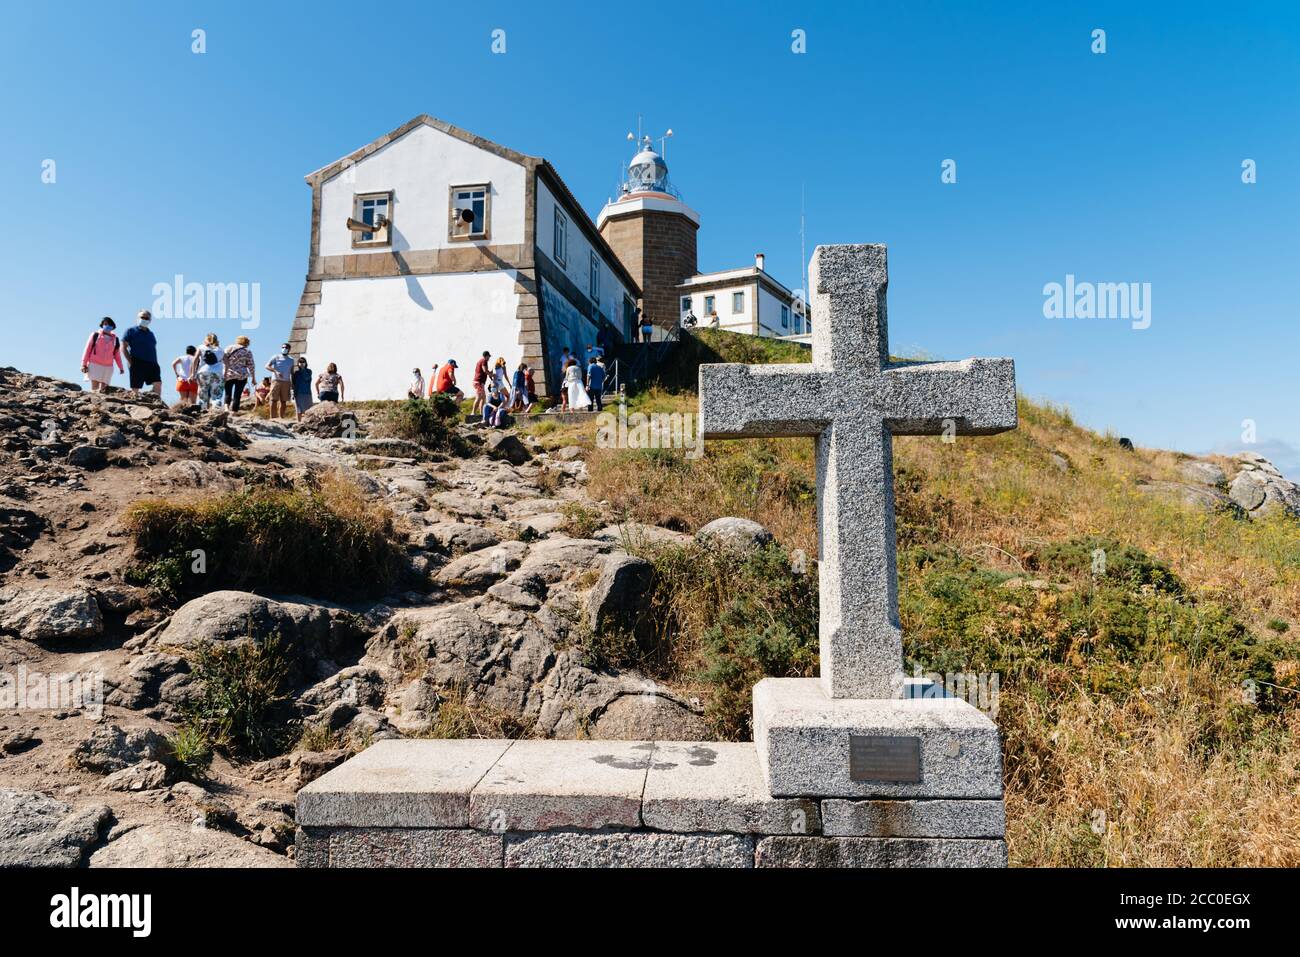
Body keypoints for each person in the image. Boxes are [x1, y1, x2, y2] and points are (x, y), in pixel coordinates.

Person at [122, 310, 162, 397]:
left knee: (158, 383)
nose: (144, 319)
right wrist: (130, 361)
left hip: (152, 363)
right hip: (137, 361)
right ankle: (134, 401)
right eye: (142, 317)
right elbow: (123, 347)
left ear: (150, 320)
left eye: (146, 318)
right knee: (136, 386)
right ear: (138, 318)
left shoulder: (151, 334)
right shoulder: (130, 331)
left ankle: (157, 402)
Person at [81, 317, 124, 393]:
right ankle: (93, 403)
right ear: (102, 325)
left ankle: (101, 404)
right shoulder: (95, 335)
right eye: (105, 324)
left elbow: (117, 355)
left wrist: (121, 367)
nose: (107, 326)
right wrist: (83, 364)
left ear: (113, 327)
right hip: (94, 364)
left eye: (109, 324)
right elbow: (87, 349)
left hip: (108, 367)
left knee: (103, 390)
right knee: (95, 388)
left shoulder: (115, 340)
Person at [222, 335, 255, 413]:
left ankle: (226, 408)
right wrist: (253, 377)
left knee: (228, 391)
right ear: (246, 342)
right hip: (242, 375)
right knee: (237, 394)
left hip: (229, 373)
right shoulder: (247, 351)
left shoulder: (229, 348)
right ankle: (234, 411)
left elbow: (222, 359)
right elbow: (251, 365)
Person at [264, 343, 295, 419]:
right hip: (276, 380)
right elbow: (267, 366)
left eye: (286, 347)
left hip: (286, 382)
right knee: (273, 399)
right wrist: (275, 371)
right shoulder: (276, 357)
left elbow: (292, 372)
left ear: (289, 349)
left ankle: (281, 417)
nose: (284, 348)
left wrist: (293, 383)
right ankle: (273, 417)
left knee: (283, 401)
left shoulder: (291, 360)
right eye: (283, 347)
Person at [196, 333, 224, 410]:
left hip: (203, 372)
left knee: (203, 393)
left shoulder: (201, 347)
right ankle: (216, 410)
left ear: (206, 339)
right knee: (216, 395)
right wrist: (225, 373)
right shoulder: (220, 350)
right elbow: (227, 363)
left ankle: (202, 410)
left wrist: (192, 373)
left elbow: (195, 359)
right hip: (217, 373)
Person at [291, 356, 313, 421]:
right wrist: (293, 393)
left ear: (306, 363)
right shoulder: (296, 373)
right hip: (298, 393)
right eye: (300, 362)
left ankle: (308, 422)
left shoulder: (309, 371)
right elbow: (293, 383)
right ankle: (299, 422)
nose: (302, 363)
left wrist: (303, 369)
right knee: (298, 410)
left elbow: (306, 378)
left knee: (308, 410)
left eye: (303, 362)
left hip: (307, 393)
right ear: (298, 363)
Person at [471, 350, 490, 415]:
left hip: (479, 382)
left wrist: (489, 373)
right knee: (479, 397)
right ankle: (473, 412)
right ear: (486, 356)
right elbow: (485, 370)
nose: (489, 358)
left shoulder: (481, 361)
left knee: (483, 397)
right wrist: (491, 374)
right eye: (489, 356)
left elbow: (484, 371)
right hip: (478, 382)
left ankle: (481, 413)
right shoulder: (484, 361)